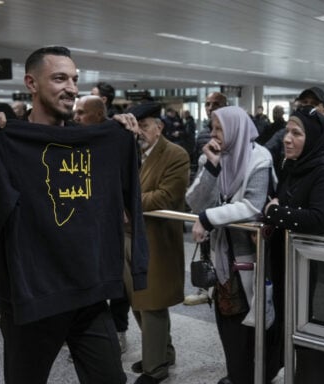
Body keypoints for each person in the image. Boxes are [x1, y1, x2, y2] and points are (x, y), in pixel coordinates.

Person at [0, 46, 147, 384]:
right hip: (30, 299)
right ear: (31, 83)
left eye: (75, 79)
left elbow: (121, 196)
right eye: (60, 78)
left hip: (88, 294)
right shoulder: (4, 142)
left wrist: (121, 138)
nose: (72, 88)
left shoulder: (91, 142)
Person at [264, 105, 324, 383]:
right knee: (299, 340)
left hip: (319, 280)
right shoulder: (292, 166)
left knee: (321, 347)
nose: (287, 139)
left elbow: (316, 219)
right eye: (286, 131)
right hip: (292, 271)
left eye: (296, 133)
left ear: (313, 138)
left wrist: (274, 212)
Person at [186, 106, 273, 384]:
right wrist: (211, 167)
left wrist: (209, 218)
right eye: (212, 127)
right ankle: (237, 374)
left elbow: (252, 205)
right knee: (228, 324)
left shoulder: (259, 159)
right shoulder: (215, 157)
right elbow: (195, 202)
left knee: (252, 325)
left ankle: (251, 375)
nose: (213, 134)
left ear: (236, 128)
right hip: (222, 257)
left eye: (219, 127)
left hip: (251, 257)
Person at [124, 102, 190, 384]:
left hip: (156, 241)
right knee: (138, 301)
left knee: (152, 303)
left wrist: (126, 204)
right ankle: (164, 351)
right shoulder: (131, 153)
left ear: (159, 128)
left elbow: (166, 196)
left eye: (145, 125)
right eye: (136, 125)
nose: (139, 131)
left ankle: (155, 368)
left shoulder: (176, 155)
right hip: (127, 236)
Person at [73, 94, 131, 353]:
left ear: (98, 114)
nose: (76, 118)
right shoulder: (74, 137)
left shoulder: (116, 138)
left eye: (81, 112)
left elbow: (129, 177)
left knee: (117, 281)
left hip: (112, 221)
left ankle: (119, 330)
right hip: (84, 222)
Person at [185, 91, 227, 306]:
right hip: (206, 202)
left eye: (215, 104)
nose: (210, 107)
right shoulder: (203, 133)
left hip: (224, 209)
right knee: (204, 248)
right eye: (208, 104)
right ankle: (205, 288)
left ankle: (219, 289)